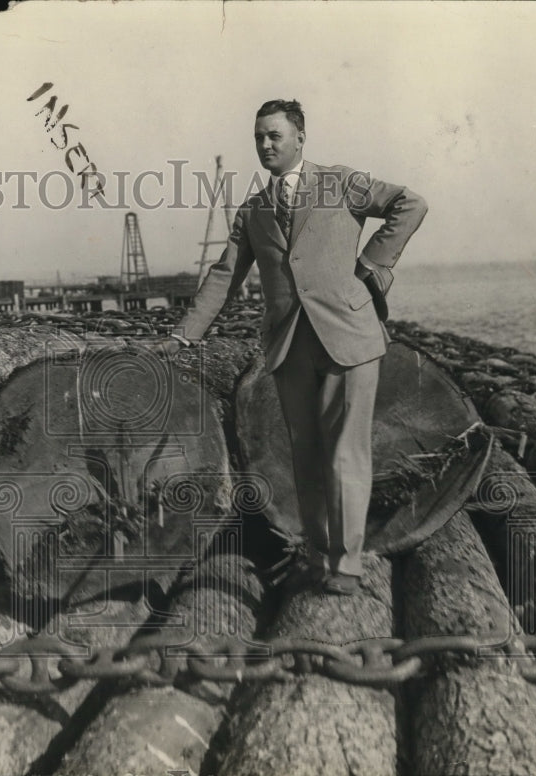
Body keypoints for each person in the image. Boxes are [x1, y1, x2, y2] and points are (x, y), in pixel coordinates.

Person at [164, 99, 427, 595]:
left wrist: (372, 266)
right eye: (259, 137)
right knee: (305, 456)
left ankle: (346, 567)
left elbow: (410, 203)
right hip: (289, 345)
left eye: (275, 136)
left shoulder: (341, 183)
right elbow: (224, 277)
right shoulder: (253, 211)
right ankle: (318, 555)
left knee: (345, 454)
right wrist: (185, 334)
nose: (265, 145)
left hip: (349, 335)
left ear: (300, 138)